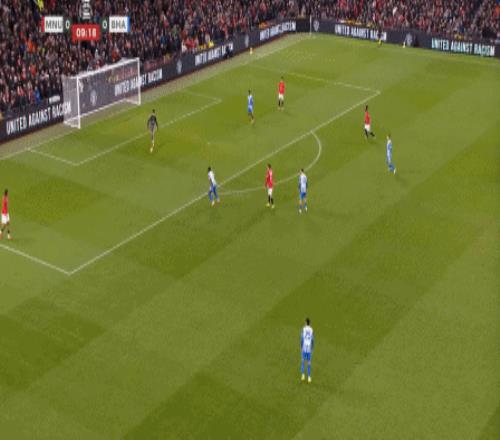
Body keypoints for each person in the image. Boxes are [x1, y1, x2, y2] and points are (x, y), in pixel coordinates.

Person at [301, 318, 314, 383]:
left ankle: (303, 375)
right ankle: (309, 377)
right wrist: (312, 347)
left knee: (303, 361)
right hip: (309, 348)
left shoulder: (303, 329)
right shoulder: (311, 330)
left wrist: (301, 345)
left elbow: (302, 338)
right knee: (309, 363)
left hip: (304, 347)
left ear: (306, 322)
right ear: (310, 323)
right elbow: (312, 339)